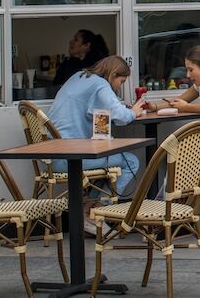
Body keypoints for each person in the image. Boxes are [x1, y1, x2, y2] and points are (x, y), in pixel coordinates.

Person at [49, 55, 147, 194]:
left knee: (106, 158)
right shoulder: (100, 84)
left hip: (50, 156)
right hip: (71, 157)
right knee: (131, 162)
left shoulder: (79, 76)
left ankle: (90, 204)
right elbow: (120, 116)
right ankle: (101, 205)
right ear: (113, 75)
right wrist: (134, 112)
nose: (120, 87)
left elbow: (101, 109)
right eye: (122, 81)